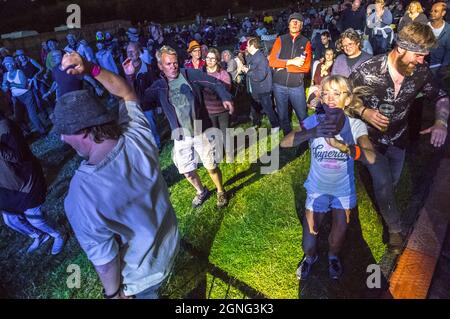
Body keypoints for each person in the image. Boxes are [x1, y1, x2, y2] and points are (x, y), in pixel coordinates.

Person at [53, 52, 180, 299]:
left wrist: (114, 294)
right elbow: (126, 93)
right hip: (169, 244)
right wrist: (90, 68)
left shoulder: (81, 196)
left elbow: (106, 261)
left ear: (83, 132)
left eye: (64, 131)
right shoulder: (137, 135)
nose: (61, 138)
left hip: (142, 278)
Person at [350, 23, 449, 253]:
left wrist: (441, 122)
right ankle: (395, 230)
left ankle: (385, 203)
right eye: (419, 55)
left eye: (426, 56)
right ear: (401, 48)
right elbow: (345, 96)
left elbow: (442, 97)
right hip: (370, 139)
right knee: (383, 181)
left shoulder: (421, 72)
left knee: (390, 183)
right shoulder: (368, 70)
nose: (422, 61)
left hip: (399, 138)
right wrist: (365, 112)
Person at [281, 75, 376, 280]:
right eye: (325, 93)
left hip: (343, 191)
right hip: (317, 188)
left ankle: (333, 257)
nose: (330, 98)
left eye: (336, 93)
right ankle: (310, 259)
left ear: (348, 99)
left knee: (337, 239)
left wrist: (342, 146)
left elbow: (371, 156)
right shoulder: (314, 120)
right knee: (308, 244)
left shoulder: (355, 126)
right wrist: (312, 132)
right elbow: (285, 142)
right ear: (321, 98)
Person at [144, 46, 234, 208]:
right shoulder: (159, 86)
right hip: (180, 136)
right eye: (168, 64)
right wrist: (129, 76)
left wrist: (225, 97)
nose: (173, 66)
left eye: (175, 62)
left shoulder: (190, 75)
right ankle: (201, 191)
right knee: (186, 171)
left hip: (200, 131)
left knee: (211, 166)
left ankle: (220, 191)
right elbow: (140, 100)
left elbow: (214, 82)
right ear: (160, 66)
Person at [0, 110, 65, 254]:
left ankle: (58, 234)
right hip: (6, 187)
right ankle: (39, 235)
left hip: (25, 181)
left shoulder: (5, 127)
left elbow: (19, 156)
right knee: (11, 220)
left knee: (35, 218)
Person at [268, 12, 312, 135]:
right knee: (282, 116)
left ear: (301, 26)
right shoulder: (280, 40)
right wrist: (291, 62)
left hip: (296, 87)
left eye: (298, 22)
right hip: (279, 86)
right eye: (292, 21)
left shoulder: (306, 42)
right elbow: (272, 61)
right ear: (288, 24)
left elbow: (306, 67)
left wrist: (283, 66)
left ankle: (308, 139)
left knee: (303, 115)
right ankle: (288, 138)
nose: (295, 23)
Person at [123, 42, 161, 150]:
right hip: (134, 106)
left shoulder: (148, 68)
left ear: (139, 52)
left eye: (133, 51)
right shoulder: (125, 70)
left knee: (152, 126)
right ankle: (147, 147)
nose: (130, 54)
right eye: (128, 51)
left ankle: (157, 145)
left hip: (147, 105)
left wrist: (158, 104)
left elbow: (156, 87)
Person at [2, 57, 46, 135]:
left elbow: (24, 86)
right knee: (18, 117)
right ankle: (28, 132)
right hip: (16, 98)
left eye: (9, 64)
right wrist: (3, 86)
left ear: (13, 64)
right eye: (6, 65)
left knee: (32, 115)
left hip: (27, 95)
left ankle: (42, 131)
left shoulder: (19, 72)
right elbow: (5, 89)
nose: (8, 66)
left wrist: (11, 84)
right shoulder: (6, 75)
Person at [243, 37, 280, 128]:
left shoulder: (260, 57)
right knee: (254, 108)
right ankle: (256, 123)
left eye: (248, 45)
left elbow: (261, 75)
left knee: (268, 109)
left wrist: (247, 71)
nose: (246, 47)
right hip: (254, 88)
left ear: (252, 46)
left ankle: (275, 125)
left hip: (263, 89)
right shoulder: (252, 56)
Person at [203, 48, 232, 142]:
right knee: (214, 136)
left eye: (212, 58)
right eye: (208, 58)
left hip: (222, 110)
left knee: (225, 134)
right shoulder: (201, 74)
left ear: (217, 60)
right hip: (209, 111)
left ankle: (229, 154)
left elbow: (225, 91)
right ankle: (219, 155)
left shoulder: (223, 74)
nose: (209, 60)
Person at [428, 1, 450, 83]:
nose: (432, 13)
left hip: (438, 67)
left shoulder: (448, 30)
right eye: (431, 11)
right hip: (423, 65)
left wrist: (443, 66)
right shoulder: (425, 27)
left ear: (443, 13)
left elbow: (449, 50)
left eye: (435, 11)